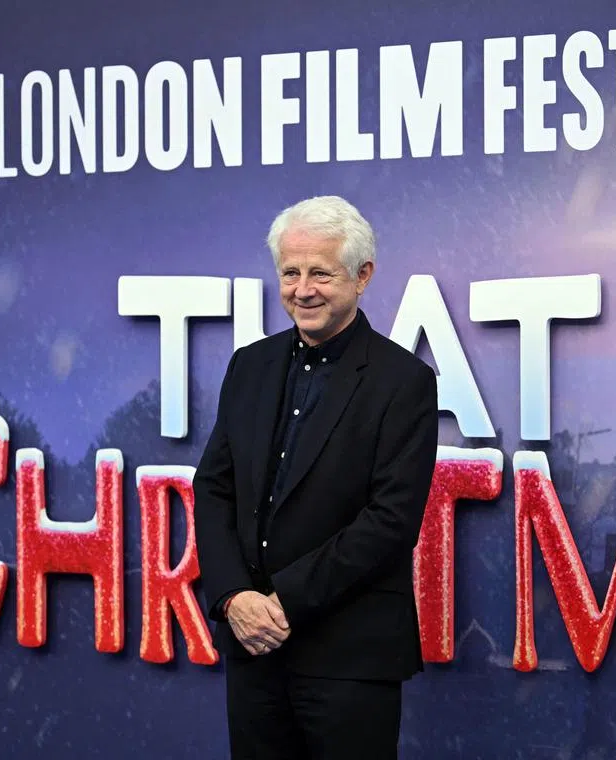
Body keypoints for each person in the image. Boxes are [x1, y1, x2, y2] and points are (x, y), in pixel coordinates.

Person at [193, 195, 439, 759]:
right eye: (290, 273)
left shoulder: (404, 382)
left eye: (320, 274)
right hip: (252, 649)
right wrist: (234, 596)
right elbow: (214, 488)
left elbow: (391, 520)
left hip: (350, 659)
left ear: (362, 275)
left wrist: (284, 602)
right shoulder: (249, 365)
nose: (302, 290)